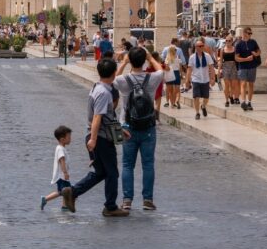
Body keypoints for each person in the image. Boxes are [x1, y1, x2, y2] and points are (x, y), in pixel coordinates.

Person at [61, 58, 129, 218]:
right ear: (113, 74)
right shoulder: (104, 93)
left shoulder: (97, 87)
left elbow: (106, 117)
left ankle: (73, 191)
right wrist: (93, 139)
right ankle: (110, 206)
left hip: (98, 136)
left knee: (100, 172)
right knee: (112, 173)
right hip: (101, 138)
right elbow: (98, 117)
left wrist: (119, 130)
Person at [116, 47, 165, 211]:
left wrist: (123, 62)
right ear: (144, 61)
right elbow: (161, 70)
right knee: (148, 164)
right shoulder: (152, 79)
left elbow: (113, 79)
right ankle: (148, 200)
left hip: (127, 126)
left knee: (127, 164)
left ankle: (127, 200)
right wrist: (151, 58)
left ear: (130, 60)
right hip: (148, 126)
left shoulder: (123, 81)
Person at [40, 126, 72, 211]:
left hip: (61, 176)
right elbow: (62, 161)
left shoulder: (61, 148)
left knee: (62, 192)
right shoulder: (60, 149)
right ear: (62, 139)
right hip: (62, 176)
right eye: (68, 137)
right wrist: (65, 173)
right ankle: (65, 206)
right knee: (67, 191)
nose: (70, 139)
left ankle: (46, 199)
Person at [184, 39, 216, 120]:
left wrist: (213, 78)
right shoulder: (192, 57)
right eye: (200, 46)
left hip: (205, 79)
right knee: (196, 97)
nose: (202, 47)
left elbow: (211, 68)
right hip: (196, 79)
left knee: (206, 97)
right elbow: (189, 69)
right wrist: (187, 81)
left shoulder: (207, 56)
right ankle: (197, 113)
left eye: (202, 46)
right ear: (196, 47)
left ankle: (203, 106)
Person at [234, 27, 261, 111]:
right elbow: (236, 58)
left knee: (251, 85)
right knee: (243, 84)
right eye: (249, 33)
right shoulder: (239, 44)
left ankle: (249, 102)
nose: (250, 35)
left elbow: (259, 51)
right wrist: (246, 59)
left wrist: (256, 54)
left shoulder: (253, 42)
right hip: (243, 67)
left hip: (252, 66)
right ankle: (243, 102)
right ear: (244, 33)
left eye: (251, 33)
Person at [220, 33, 239, 107]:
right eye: (226, 40)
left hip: (233, 67)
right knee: (226, 85)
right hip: (225, 67)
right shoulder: (222, 49)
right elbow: (221, 60)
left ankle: (231, 96)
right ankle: (227, 100)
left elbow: (237, 59)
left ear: (232, 41)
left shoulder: (235, 49)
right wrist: (219, 70)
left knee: (233, 85)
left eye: (229, 40)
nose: (228, 42)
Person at [162, 44, 182, 109]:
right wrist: (181, 74)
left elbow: (166, 68)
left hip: (169, 74)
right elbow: (180, 68)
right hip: (176, 73)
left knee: (170, 91)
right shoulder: (177, 58)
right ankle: (175, 102)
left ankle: (172, 104)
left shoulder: (167, 59)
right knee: (176, 90)